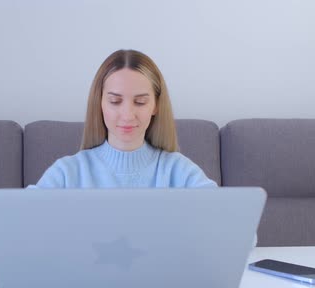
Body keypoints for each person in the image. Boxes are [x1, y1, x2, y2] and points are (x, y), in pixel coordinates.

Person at [34, 49, 217, 188]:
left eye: (140, 102)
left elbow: (224, 217)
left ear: (156, 106)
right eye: (115, 101)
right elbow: (21, 219)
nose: (127, 115)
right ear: (99, 103)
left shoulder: (181, 172)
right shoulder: (67, 173)